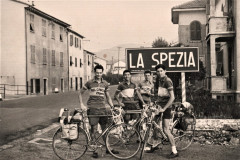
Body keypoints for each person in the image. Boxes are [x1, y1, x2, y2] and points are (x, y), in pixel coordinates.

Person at [79, 64, 119, 158]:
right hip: (92, 109)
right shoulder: (89, 83)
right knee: (94, 129)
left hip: (103, 109)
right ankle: (95, 150)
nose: (99, 74)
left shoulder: (105, 83)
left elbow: (108, 97)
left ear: (102, 73)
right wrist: (81, 104)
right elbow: (80, 93)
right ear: (94, 72)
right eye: (97, 73)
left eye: (100, 73)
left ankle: (108, 148)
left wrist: (112, 107)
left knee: (105, 130)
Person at [150, 64, 178, 158]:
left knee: (166, 129)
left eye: (161, 71)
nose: (159, 73)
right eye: (158, 71)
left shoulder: (167, 81)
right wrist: (155, 103)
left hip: (166, 107)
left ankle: (174, 151)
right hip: (159, 106)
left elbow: (172, 97)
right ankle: (155, 145)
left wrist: (164, 108)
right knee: (154, 124)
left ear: (165, 71)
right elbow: (161, 95)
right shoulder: (159, 80)